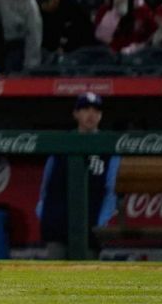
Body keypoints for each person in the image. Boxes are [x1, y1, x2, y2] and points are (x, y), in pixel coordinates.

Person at [37, 93, 120, 260]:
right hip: (58, 222)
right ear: (76, 114)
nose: (91, 114)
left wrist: (101, 221)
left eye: (96, 110)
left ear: (101, 115)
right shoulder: (61, 144)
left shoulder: (109, 148)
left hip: (91, 222)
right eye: (85, 109)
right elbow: (46, 185)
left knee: (85, 277)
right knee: (54, 274)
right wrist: (43, 212)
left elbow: (112, 190)